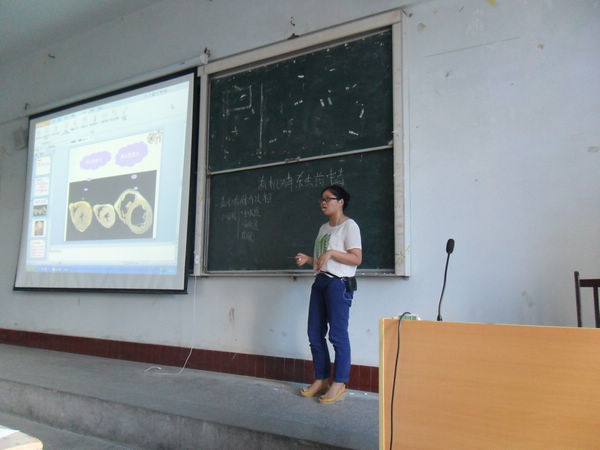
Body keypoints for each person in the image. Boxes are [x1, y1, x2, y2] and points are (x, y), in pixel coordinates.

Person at [295, 184, 362, 403]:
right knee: (314, 333)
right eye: (322, 199)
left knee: (337, 335)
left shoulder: (349, 226)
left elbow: (356, 258)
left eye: (328, 199)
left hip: (338, 285)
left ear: (340, 202)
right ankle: (321, 379)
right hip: (321, 282)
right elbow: (322, 261)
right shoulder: (324, 228)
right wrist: (309, 259)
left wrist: (332, 252)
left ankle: (339, 382)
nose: (323, 203)